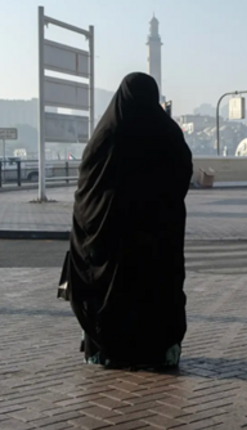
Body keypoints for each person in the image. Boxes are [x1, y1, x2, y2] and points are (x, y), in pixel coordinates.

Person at [62, 73, 193, 368]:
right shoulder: (168, 133)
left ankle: (103, 349)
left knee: (106, 287)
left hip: (109, 238)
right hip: (157, 237)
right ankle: (161, 349)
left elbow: (86, 189)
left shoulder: (106, 134)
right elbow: (182, 176)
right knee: (158, 288)